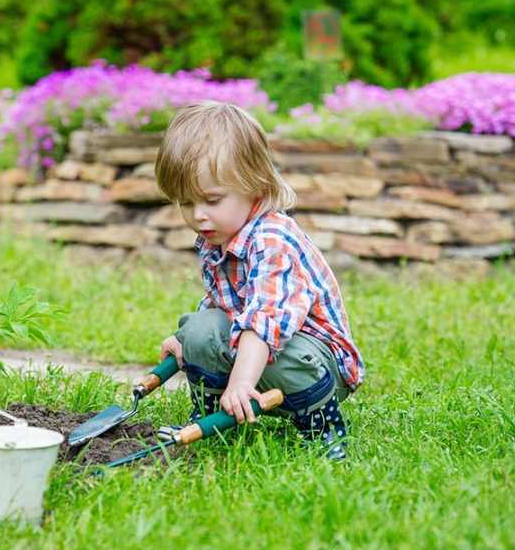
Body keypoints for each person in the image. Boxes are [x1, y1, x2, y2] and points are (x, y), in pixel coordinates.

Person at [153, 100, 364, 460]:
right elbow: (222, 303)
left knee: (287, 356)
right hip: (256, 348)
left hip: (314, 362)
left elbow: (266, 321)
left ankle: (323, 431)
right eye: (185, 203)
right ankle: (210, 420)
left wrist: (241, 382)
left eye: (211, 200)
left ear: (257, 187)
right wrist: (185, 340)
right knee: (198, 327)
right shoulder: (217, 234)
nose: (198, 215)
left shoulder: (273, 240)